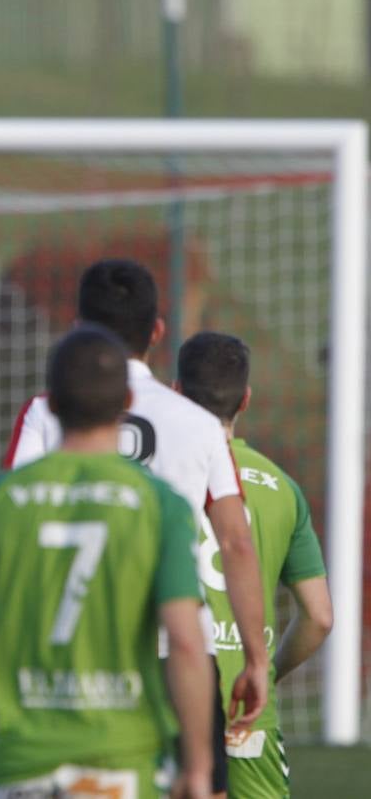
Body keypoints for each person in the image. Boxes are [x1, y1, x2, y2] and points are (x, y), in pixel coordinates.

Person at [2, 258, 267, 796]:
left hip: (74, 659)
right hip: (178, 657)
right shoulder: (197, 422)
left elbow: (13, 519)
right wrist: (256, 659)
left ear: (77, 328)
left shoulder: (43, 413)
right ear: (157, 331)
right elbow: (236, 542)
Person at [0, 325, 214, 799]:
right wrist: (197, 765)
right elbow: (188, 644)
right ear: (127, 401)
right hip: (122, 766)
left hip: (22, 767)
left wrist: (0, 659)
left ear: (53, 404)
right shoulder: (159, 503)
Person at [176, 332, 333, 798]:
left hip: (168, 691)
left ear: (177, 392)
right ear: (245, 399)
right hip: (246, 710)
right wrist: (264, 669)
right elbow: (320, 617)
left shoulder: (154, 477)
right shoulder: (282, 487)